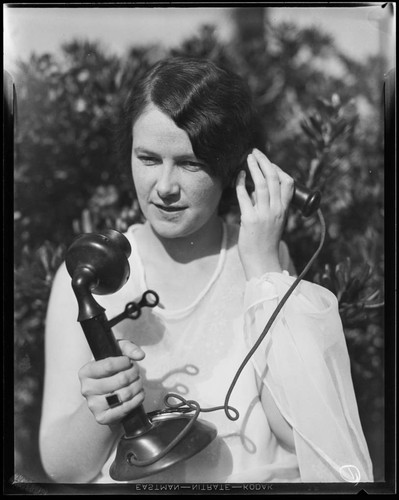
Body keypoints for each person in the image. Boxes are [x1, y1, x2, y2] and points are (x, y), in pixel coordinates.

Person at [39, 56, 373, 484]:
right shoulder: (87, 272)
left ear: (234, 166)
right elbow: (63, 469)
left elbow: (297, 436)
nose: (164, 187)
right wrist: (104, 411)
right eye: (148, 158)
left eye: (190, 163)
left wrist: (263, 267)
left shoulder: (265, 262)